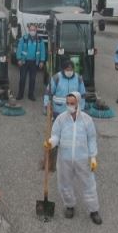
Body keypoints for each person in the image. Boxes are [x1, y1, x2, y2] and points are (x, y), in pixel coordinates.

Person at [43, 92, 102, 224]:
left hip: (82, 159)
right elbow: (56, 135)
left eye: (72, 103)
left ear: (78, 103)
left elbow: (92, 139)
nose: (69, 106)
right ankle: (69, 205)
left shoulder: (87, 120)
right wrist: (51, 142)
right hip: (65, 159)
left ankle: (94, 210)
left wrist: (93, 157)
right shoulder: (61, 119)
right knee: (64, 183)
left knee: (89, 184)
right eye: (68, 103)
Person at [15, 24, 46, 101]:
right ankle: (20, 94)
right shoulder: (23, 39)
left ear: (36, 30)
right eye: (31, 30)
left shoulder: (40, 40)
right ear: (29, 30)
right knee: (22, 79)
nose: (32, 31)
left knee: (32, 79)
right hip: (24, 62)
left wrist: (42, 61)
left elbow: (42, 51)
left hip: (34, 62)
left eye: (34, 30)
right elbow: (19, 49)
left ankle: (31, 95)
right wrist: (19, 59)